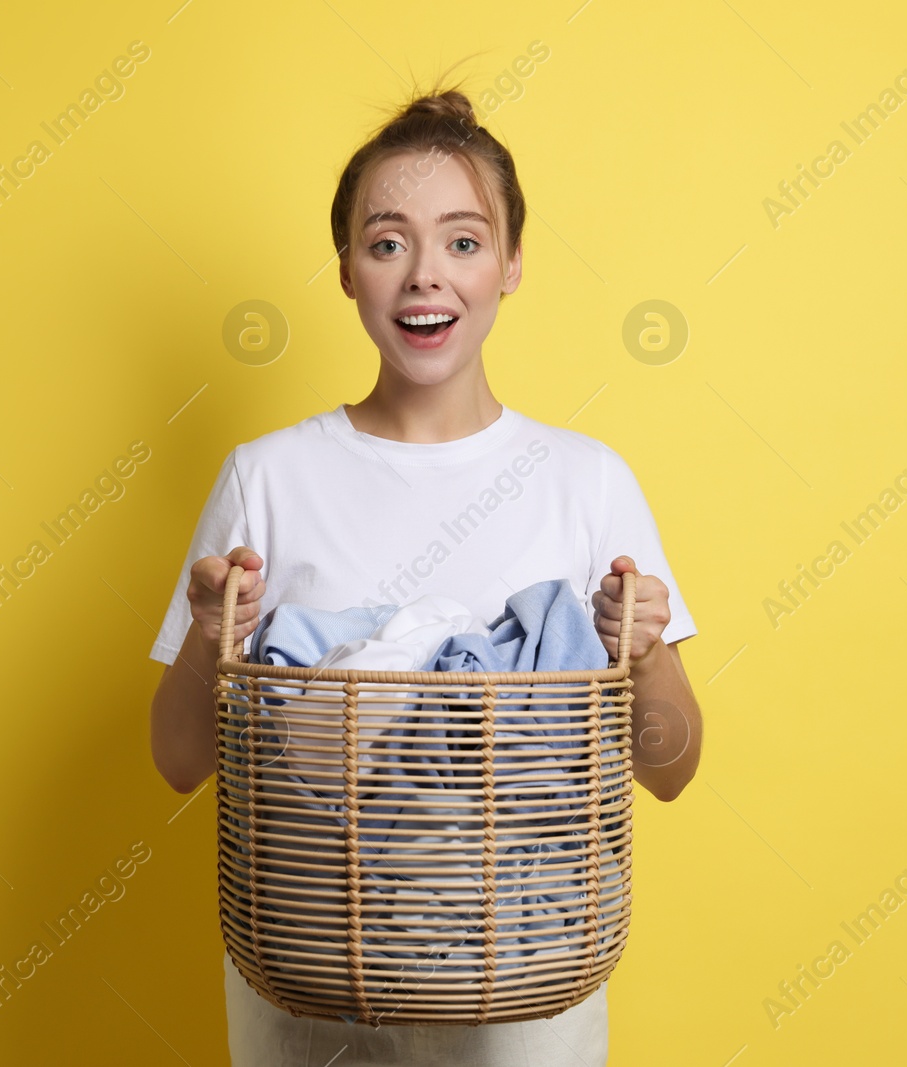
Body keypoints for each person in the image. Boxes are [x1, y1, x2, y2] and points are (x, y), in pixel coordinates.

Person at [148, 79, 704, 1067]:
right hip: (312, 997)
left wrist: (644, 649)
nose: (423, 275)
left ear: (511, 265)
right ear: (348, 271)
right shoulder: (269, 476)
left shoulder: (584, 480)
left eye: (462, 239)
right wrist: (211, 636)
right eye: (386, 240)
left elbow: (668, 766)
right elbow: (182, 759)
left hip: (526, 1004)